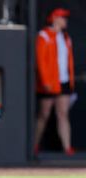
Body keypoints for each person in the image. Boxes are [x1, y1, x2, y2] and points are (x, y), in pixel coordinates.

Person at [34, 8, 75, 156]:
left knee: (63, 114)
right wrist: (45, 81)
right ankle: (34, 145)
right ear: (55, 18)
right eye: (62, 18)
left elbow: (68, 61)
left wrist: (70, 81)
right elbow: (40, 61)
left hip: (63, 82)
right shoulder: (44, 35)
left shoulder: (66, 38)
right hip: (49, 83)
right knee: (44, 114)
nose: (65, 20)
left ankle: (67, 147)